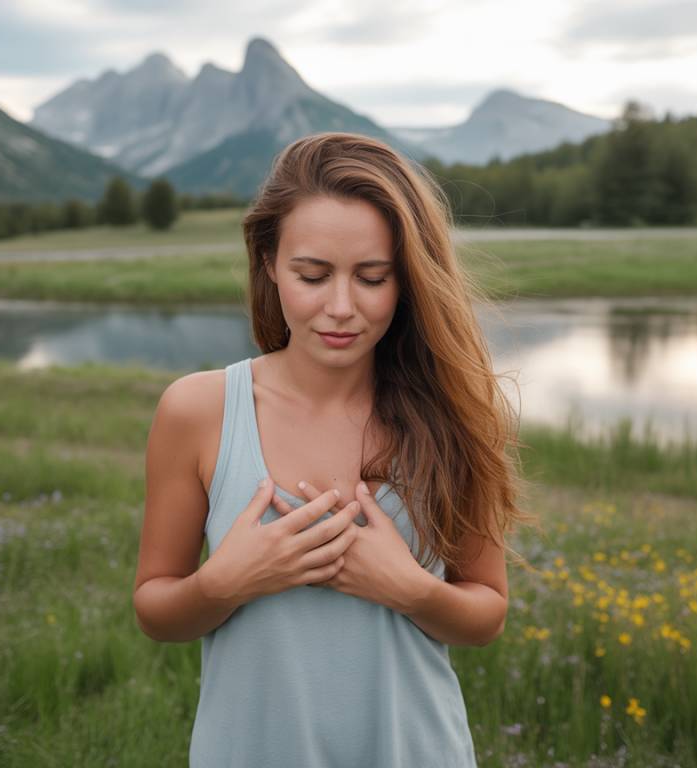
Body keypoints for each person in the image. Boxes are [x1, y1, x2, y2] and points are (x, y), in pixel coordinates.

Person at [133, 132, 534, 767]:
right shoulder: (198, 410)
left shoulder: (452, 416)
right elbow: (157, 610)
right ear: (268, 261)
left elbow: (486, 614)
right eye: (313, 275)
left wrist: (411, 590)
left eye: (372, 278)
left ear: (407, 278)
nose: (341, 308)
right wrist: (226, 582)